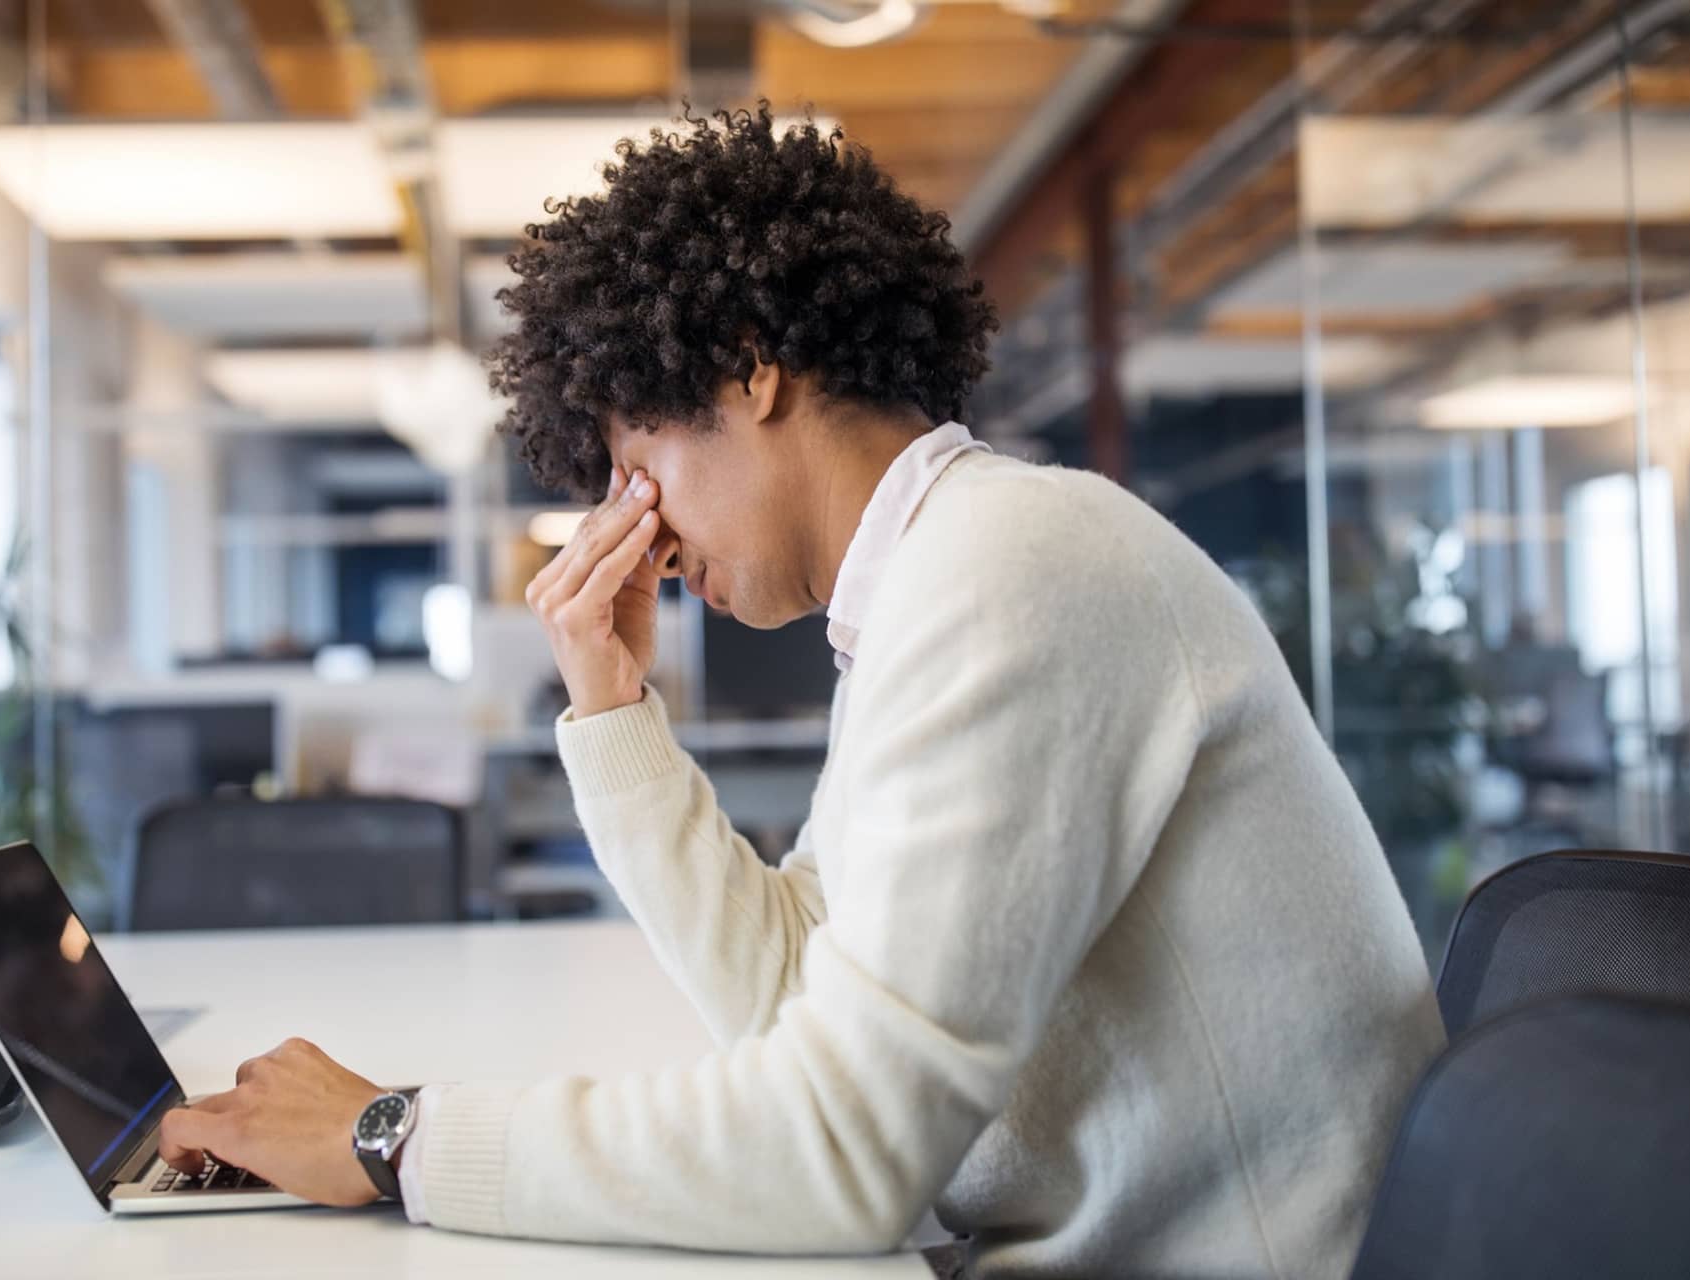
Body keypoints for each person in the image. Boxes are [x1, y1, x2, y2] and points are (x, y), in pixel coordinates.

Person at [158, 105, 1444, 1278]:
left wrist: (395, 1136)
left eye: (635, 464)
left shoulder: (1014, 566)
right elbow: (789, 997)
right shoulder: (929, 584)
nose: (642, 535)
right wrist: (612, 712)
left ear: (745, 367)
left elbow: (842, 1153)